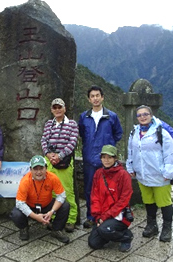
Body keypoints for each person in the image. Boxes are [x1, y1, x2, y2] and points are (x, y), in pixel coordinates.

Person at [126, 105, 173, 242]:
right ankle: (151, 225)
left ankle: (167, 228)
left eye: (145, 114)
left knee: (165, 203)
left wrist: (168, 171)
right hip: (142, 175)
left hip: (160, 175)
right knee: (148, 201)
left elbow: (171, 153)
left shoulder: (160, 131)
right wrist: (130, 166)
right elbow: (131, 151)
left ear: (151, 114)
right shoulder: (134, 132)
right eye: (139, 115)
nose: (142, 117)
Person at [78, 85, 123, 228]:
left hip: (107, 160)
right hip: (89, 158)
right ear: (89, 99)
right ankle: (91, 216)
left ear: (102, 97)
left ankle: (107, 216)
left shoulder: (111, 116)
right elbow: (82, 134)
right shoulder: (84, 117)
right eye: (92, 96)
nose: (95, 98)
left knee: (109, 189)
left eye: (98, 95)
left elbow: (118, 134)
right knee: (90, 188)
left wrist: (108, 144)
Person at [10, 155, 70, 243]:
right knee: (16, 214)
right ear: (30, 170)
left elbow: (61, 195)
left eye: (41, 168)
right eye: (35, 169)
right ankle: (24, 228)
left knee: (65, 205)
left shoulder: (53, 177)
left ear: (46, 168)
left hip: (47, 205)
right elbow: (20, 203)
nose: (39, 172)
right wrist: (35, 217)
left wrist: (51, 212)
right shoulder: (25, 181)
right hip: (30, 206)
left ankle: (56, 229)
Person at [41, 98, 78, 232]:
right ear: (51, 110)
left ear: (64, 109)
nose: (57, 110)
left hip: (64, 162)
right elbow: (43, 140)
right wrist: (49, 154)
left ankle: (71, 219)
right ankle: (54, 216)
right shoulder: (48, 124)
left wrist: (60, 156)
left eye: (60, 107)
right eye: (55, 108)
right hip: (50, 161)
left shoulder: (72, 124)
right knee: (50, 191)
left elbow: (72, 142)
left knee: (67, 191)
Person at [88, 145, 133, 252]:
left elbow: (124, 200)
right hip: (103, 215)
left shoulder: (123, 175)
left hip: (118, 215)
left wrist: (104, 217)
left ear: (115, 158)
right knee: (94, 243)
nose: (106, 160)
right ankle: (110, 232)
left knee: (104, 229)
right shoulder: (99, 173)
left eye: (110, 157)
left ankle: (126, 237)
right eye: (104, 157)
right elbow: (95, 196)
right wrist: (98, 216)